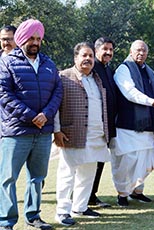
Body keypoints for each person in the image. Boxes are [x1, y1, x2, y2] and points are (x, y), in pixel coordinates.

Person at [0, 19, 63, 230]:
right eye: (31, 38)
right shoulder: (7, 62)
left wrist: (46, 114)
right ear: (21, 39)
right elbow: (4, 94)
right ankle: (6, 222)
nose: (35, 42)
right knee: (8, 178)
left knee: (37, 178)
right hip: (16, 132)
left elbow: (57, 91)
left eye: (38, 38)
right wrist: (30, 116)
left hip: (43, 132)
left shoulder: (49, 64)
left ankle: (33, 216)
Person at [54, 42, 111, 226]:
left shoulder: (96, 78)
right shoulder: (63, 77)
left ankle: (80, 207)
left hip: (96, 134)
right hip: (71, 132)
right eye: (84, 55)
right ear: (75, 58)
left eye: (90, 56)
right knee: (67, 173)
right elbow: (55, 107)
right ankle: (62, 212)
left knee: (88, 172)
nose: (88, 59)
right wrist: (56, 130)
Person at [111, 39, 154, 207]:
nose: (141, 53)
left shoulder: (150, 72)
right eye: (138, 50)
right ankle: (122, 193)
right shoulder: (123, 69)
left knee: (145, 159)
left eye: (144, 50)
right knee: (127, 160)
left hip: (146, 124)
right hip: (126, 124)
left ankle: (137, 191)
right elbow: (130, 92)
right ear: (131, 51)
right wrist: (152, 102)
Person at [88, 37, 117, 208]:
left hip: (107, 124)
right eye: (105, 49)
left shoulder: (108, 69)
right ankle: (84, 195)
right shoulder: (92, 69)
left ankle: (92, 195)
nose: (108, 53)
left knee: (99, 161)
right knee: (89, 161)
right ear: (96, 50)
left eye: (111, 50)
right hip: (94, 124)